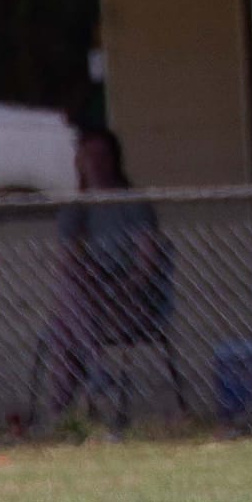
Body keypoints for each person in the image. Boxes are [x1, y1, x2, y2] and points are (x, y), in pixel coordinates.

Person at [43, 127, 166, 416]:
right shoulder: (77, 209)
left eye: (101, 156)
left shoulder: (132, 204)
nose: (95, 164)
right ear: (79, 163)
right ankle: (93, 373)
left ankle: (60, 417)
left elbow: (146, 264)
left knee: (64, 331)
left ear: (114, 160)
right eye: (88, 157)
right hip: (91, 301)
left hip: (130, 301)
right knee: (65, 318)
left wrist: (120, 290)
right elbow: (67, 262)